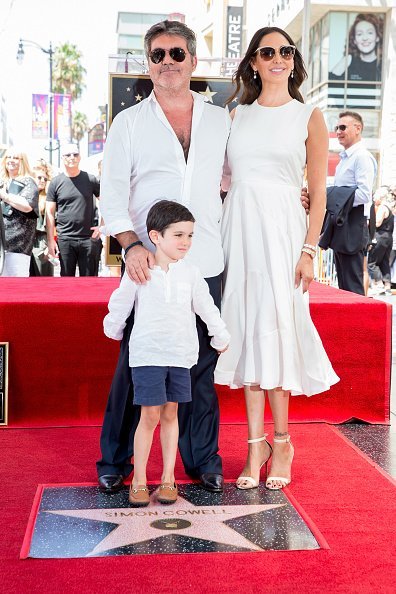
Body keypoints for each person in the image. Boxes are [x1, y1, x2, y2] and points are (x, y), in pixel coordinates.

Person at [97, 19, 310, 495]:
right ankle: (114, 460)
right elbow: (111, 195)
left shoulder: (219, 118)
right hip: (149, 264)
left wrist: (285, 197)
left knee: (200, 367)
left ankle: (202, 460)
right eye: (158, 55)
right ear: (147, 64)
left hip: (207, 259)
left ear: (193, 60)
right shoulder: (128, 123)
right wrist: (132, 246)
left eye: (177, 54)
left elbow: (238, 175)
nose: (168, 62)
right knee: (136, 364)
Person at [214, 27, 339, 491]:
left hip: (285, 233)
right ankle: (254, 443)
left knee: (278, 330)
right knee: (245, 329)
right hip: (239, 228)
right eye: (268, 52)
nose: (278, 58)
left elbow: (319, 195)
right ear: (253, 62)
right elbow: (223, 178)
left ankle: (282, 441)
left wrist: (309, 249)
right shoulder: (235, 115)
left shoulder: (309, 115)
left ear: (293, 59)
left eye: (286, 51)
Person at [104, 200, 229, 506]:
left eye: (189, 236)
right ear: (156, 236)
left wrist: (219, 333)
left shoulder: (191, 272)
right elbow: (122, 302)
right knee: (148, 416)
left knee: (171, 414)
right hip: (148, 356)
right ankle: (141, 480)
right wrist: (114, 326)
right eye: (178, 235)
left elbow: (205, 306)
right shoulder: (140, 270)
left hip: (180, 356)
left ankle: (168, 478)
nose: (185, 242)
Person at [332, 111, 377, 295]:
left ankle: (359, 324)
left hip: (353, 223)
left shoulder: (362, 157)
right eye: (337, 128)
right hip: (343, 222)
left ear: (358, 129)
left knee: (352, 285)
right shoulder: (345, 159)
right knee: (344, 283)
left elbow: (365, 194)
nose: (338, 131)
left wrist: (335, 198)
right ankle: (347, 323)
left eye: (343, 127)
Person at [46, 143, 101, 276]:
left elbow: (106, 203)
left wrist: (102, 226)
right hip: (65, 238)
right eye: (68, 155)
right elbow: (49, 213)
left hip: (88, 238)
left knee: (89, 283)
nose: (72, 157)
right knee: (66, 281)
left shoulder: (91, 179)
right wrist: (50, 240)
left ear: (80, 157)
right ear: (62, 158)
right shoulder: (55, 182)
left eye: (75, 154)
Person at [0, 148, 39, 277]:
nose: (11, 160)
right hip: (1, 244)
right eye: (9, 157)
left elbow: (27, 206)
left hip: (18, 245)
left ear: (23, 162)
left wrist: (5, 196)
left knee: (16, 286)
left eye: (16, 158)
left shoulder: (28, 182)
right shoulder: (2, 182)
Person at [329, 13, 383, 82]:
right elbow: (330, 85)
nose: (365, 38)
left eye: (370, 33)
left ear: (377, 37)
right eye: (359, 34)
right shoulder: (349, 60)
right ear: (354, 40)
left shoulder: (383, 64)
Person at [30, 159, 54, 276]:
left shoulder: (48, 199)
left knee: (42, 278)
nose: (43, 181)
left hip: (40, 241)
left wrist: (49, 244)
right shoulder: (25, 195)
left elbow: (53, 222)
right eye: (39, 177)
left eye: (45, 179)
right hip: (24, 241)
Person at [368, 188, 394, 295]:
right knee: (384, 262)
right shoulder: (389, 208)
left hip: (380, 237)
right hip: (388, 238)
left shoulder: (382, 208)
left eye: (375, 197)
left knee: (371, 262)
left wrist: (367, 222)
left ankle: (379, 284)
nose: (374, 199)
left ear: (380, 197)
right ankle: (387, 286)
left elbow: (377, 223)